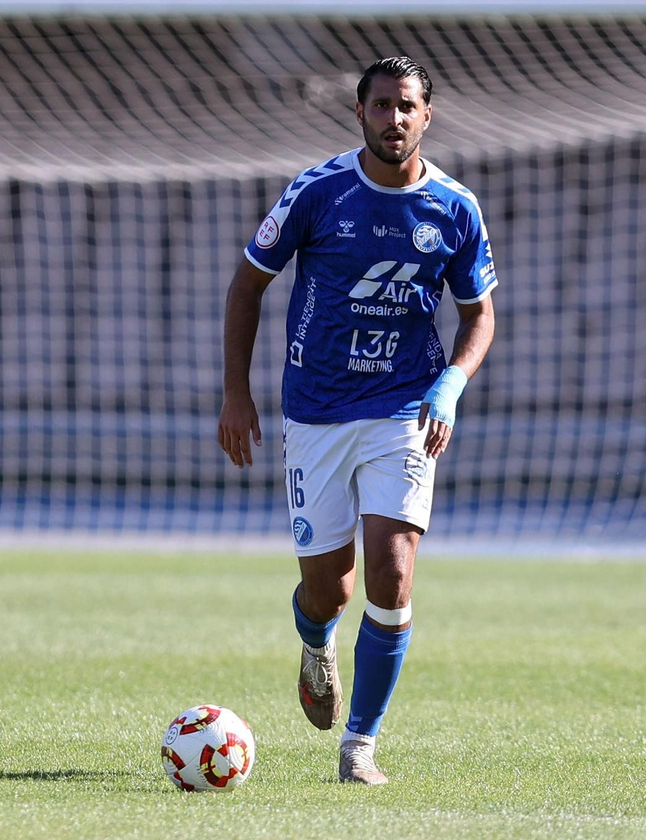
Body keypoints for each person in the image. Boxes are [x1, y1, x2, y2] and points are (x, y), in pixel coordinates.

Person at [217, 56, 497, 785]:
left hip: (403, 409)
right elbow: (247, 285)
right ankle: (315, 640)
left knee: (392, 574)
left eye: (407, 106)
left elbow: (479, 315)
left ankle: (360, 747)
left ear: (426, 116)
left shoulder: (455, 209)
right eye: (380, 105)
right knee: (328, 591)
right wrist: (235, 394)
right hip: (315, 411)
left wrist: (450, 386)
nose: (393, 119)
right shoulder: (319, 192)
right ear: (359, 112)